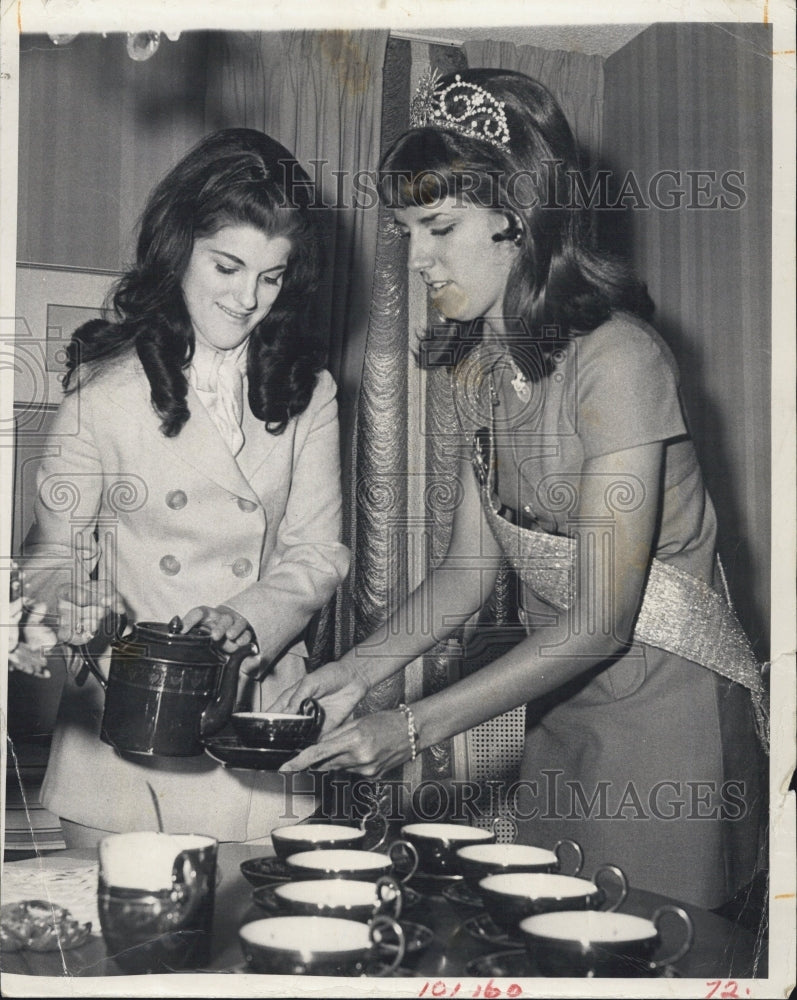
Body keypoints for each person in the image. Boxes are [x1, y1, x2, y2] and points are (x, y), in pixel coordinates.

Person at [272, 69, 768, 909]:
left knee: (653, 945)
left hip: (667, 714)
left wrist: (408, 729)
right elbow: (471, 573)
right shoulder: (478, 371)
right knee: (550, 925)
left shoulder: (619, 360)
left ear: (519, 215)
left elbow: (604, 619)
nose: (415, 257)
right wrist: (353, 672)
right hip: (562, 701)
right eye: (406, 230)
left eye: (438, 226)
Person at [18, 128, 350, 846]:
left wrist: (252, 615)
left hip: (251, 720)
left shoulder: (310, 390)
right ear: (178, 249)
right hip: (125, 723)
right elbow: (49, 555)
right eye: (227, 267)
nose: (247, 299)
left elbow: (318, 551)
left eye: (272, 276)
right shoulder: (102, 392)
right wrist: (73, 599)